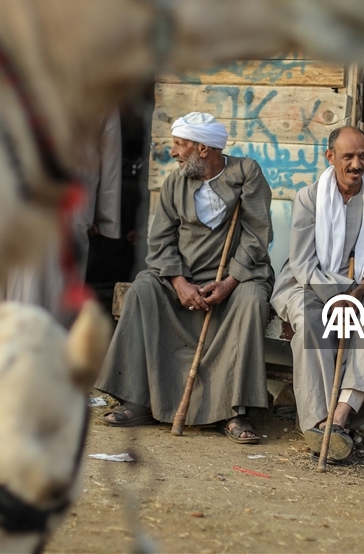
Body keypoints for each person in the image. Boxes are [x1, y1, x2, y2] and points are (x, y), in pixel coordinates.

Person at [95, 112, 273, 443]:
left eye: (179, 144)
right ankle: (139, 399)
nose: (173, 152)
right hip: (184, 278)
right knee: (143, 289)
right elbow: (160, 242)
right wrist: (179, 283)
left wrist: (229, 283)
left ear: (203, 149)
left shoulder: (245, 173)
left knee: (252, 301)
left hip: (235, 278)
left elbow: (256, 235)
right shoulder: (174, 183)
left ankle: (233, 411)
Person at [271, 126, 364, 460]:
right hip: (311, 281)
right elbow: (302, 262)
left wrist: (357, 292)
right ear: (330, 157)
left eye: (363, 156)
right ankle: (319, 422)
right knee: (311, 321)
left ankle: (340, 416)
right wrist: (335, 296)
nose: (357, 164)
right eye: (348, 157)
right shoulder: (309, 198)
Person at [6, 110, 121, 314]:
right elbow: (110, 152)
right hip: (74, 197)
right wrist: (106, 218)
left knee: (30, 277)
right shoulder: (100, 94)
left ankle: (21, 325)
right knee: (57, 279)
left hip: (34, 192)